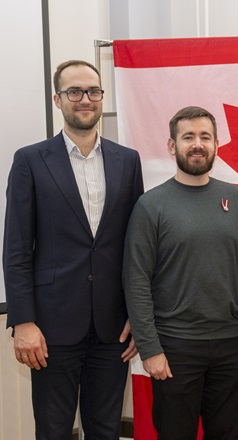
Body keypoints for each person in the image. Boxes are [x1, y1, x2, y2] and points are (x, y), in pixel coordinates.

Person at [3, 59, 143, 439]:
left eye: (93, 91)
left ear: (101, 97)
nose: (85, 99)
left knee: (105, 430)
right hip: (50, 327)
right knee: (53, 430)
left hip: (113, 328)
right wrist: (23, 321)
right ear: (57, 99)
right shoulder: (30, 161)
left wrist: (138, 315)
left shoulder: (127, 161)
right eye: (74, 91)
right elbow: (16, 249)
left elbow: (136, 248)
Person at [122, 106, 238, 439]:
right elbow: (136, 280)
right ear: (172, 146)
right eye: (188, 137)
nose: (197, 144)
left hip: (231, 344)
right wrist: (150, 348)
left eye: (205, 137)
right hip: (174, 346)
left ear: (216, 145)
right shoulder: (150, 206)